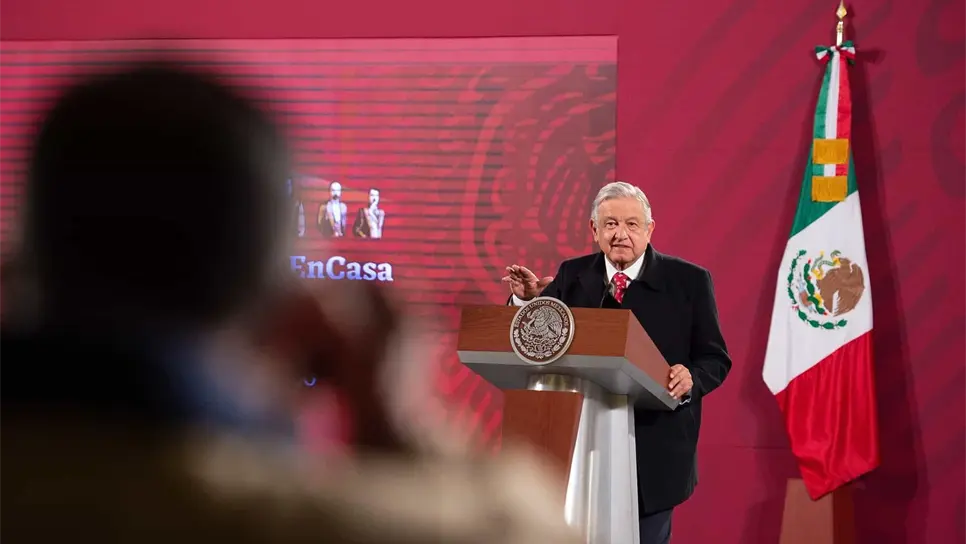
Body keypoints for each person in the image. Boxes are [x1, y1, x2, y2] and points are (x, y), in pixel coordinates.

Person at [0, 59, 580, 544]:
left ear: (26, 258)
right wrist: (390, 419)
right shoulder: (273, 516)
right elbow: (531, 531)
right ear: (279, 295)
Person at [502, 181, 732, 544]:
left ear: (649, 229)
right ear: (594, 230)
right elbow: (538, 339)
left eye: (631, 224)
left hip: (655, 449)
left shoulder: (689, 281)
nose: (620, 234)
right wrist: (525, 303)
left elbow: (715, 358)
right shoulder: (572, 275)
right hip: (581, 444)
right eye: (610, 224)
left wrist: (691, 378)